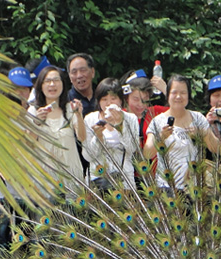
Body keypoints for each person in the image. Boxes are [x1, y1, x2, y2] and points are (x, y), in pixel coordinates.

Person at [143, 75, 220, 192]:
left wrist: (203, 134)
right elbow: (147, 154)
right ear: (168, 95)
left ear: (188, 95)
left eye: (183, 93)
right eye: (174, 92)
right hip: (166, 189)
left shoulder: (198, 118)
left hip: (194, 189)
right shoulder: (157, 121)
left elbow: (218, 149)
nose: (178, 97)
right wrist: (161, 138)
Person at [28, 65, 86, 194]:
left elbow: (82, 138)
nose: (52, 84)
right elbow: (28, 144)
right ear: (41, 86)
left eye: (56, 80)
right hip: (45, 177)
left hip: (71, 175)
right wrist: (36, 123)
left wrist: (78, 115)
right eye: (47, 81)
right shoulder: (33, 111)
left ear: (63, 84)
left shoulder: (70, 108)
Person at [83, 78, 140, 191]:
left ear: (120, 100)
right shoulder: (90, 119)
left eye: (113, 98)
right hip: (98, 181)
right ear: (99, 101)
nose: (109, 103)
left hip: (124, 181)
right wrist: (98, 137)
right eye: (104, 99)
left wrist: (120, 125)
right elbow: (88, 156)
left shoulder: (130, 119)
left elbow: (132, 149)